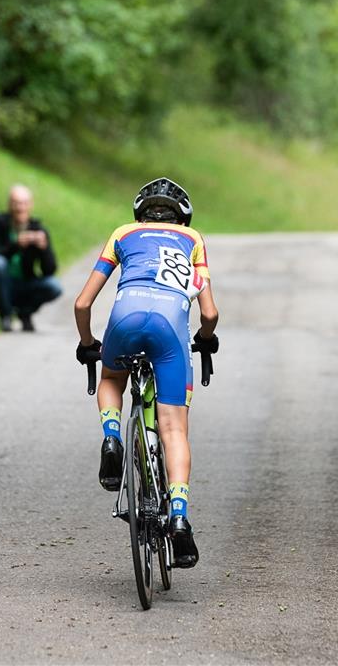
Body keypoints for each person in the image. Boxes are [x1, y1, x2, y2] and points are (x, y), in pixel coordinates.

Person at [73, 177, 219, 569]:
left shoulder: (123, 234)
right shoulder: (193, 241)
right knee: (173, 430)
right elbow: (209, 313)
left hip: (124, 319)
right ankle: (179, 515)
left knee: (110, 379)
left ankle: (110, 439)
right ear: (182, 218)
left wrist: (88, 343)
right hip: (170, 332)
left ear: (140, 213)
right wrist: (206, 339)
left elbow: (83, 302)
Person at [0, 184, 62, 332]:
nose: (20, 208)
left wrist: (44, 249)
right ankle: (5, 315)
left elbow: (50, 270)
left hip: (27, 283)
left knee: (54, 286)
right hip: (3, 283)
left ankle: (25, 313)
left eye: (24, 203)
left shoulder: (38, 229)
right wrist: (16, 244)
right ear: (9, 205)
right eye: (16, 203)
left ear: (30, 205)